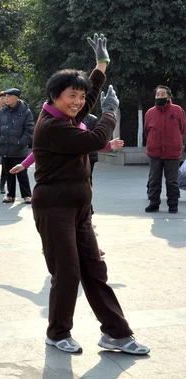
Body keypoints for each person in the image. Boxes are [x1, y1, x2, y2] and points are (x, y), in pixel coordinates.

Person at [31, 34, 149, 355]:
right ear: (54, 96)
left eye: (80, 97)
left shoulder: (64, 115)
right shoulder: (53, 127)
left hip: (80, 208)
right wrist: (111, 112)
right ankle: (57, 333)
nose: (78, 102)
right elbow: (97, 138)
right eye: (72, 96)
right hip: (54, 207)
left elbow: (90, 94)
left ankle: (116, 333)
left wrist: (101, 64)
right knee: (67, 272)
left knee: (95, 269)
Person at [10, 113, 124, 216]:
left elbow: (89, 142)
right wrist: (24, 165)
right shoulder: (54, 124)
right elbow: (39, 150)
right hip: (59, 183)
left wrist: (108, 145)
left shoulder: (83, 123)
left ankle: (86, 213)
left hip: (79, 175)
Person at [144, 85, 186, 213]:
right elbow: (147, 131)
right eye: (157, 95)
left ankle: (173, 204)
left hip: (172, 153)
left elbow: (183, 129)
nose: (159, 97)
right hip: (154, 152)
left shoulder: (177, 110)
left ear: (169, 97)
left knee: (172, 181)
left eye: (162, 95)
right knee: (154, 180)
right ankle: (154, 203)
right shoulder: (150, 112)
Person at [0, 88, 34, 204]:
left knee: (21, 173)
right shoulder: (1, 112)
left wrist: (20, 143)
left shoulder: (26, 112)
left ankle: (27, 195)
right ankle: (10, 195)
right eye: (5, 97)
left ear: (16, 98)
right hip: (4, 148)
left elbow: (29, 131)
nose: (5, 99)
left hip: (19, 149)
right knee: (8, 172)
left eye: (8, 97)